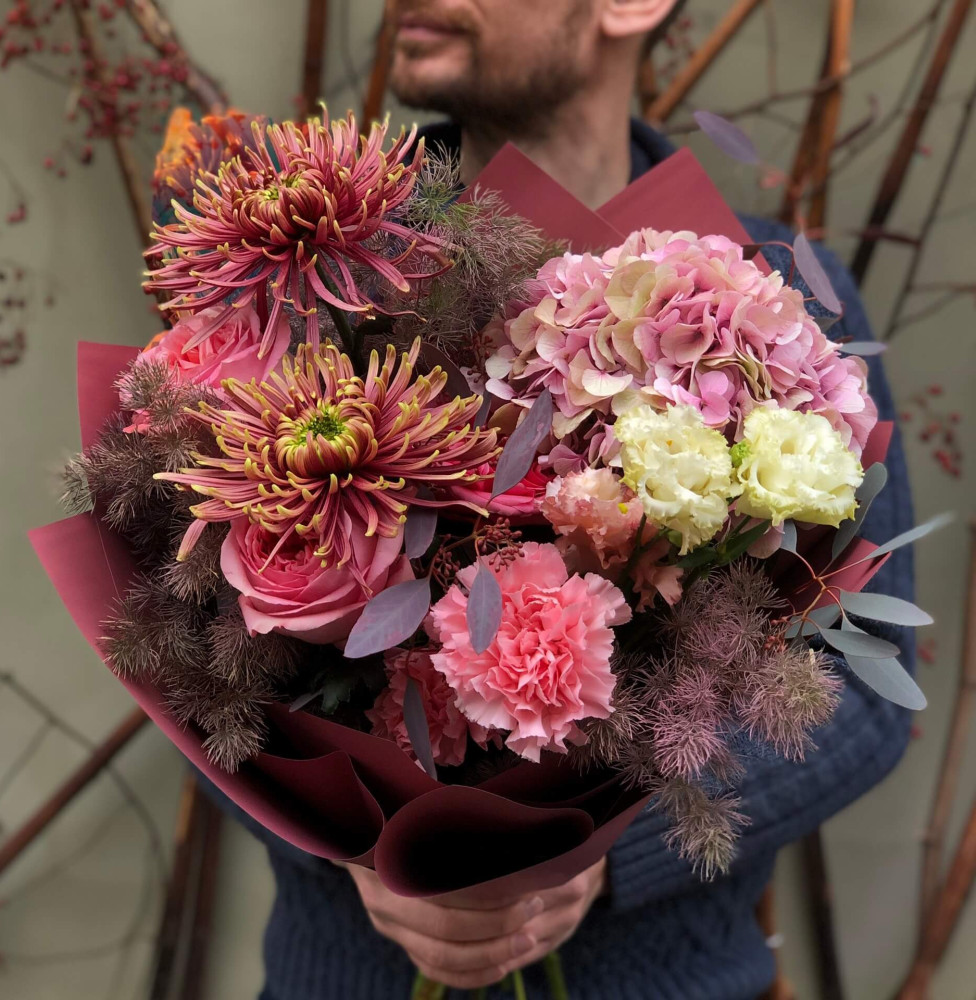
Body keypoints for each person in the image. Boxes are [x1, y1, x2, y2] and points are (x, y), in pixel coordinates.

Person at [238, 2, 917, 997]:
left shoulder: (777, 310)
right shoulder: (320, 273)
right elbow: (193, 648)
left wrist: (598, 853)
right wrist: (348, 847)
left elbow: (862, 690)